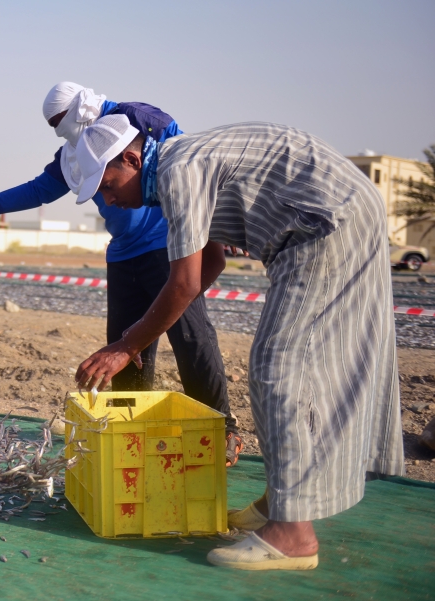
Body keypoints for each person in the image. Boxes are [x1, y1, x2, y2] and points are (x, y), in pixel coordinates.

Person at [72, 116, 404, 570]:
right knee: (289, 363)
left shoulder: (178, 172)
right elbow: (212, 263)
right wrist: (158, 319)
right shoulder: (175, 170)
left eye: (108, 186)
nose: (108, 201)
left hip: (326, 225)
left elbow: (185, 283)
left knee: (279, 367)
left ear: (131, 158)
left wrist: (126, 345)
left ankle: (293, 535)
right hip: (328, 218)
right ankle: (279, 502)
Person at [0, 82, 242, 463]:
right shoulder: (75, 155)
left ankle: (222, 428)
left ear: (79, 109)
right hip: (123, 254)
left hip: (167, 244)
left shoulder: (138, 119)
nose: (58, 131)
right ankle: (133, 433)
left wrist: (217, 223)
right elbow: (35, 192)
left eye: (58, 122)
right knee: (125, 347)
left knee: (190, 336)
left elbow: (189, 161)